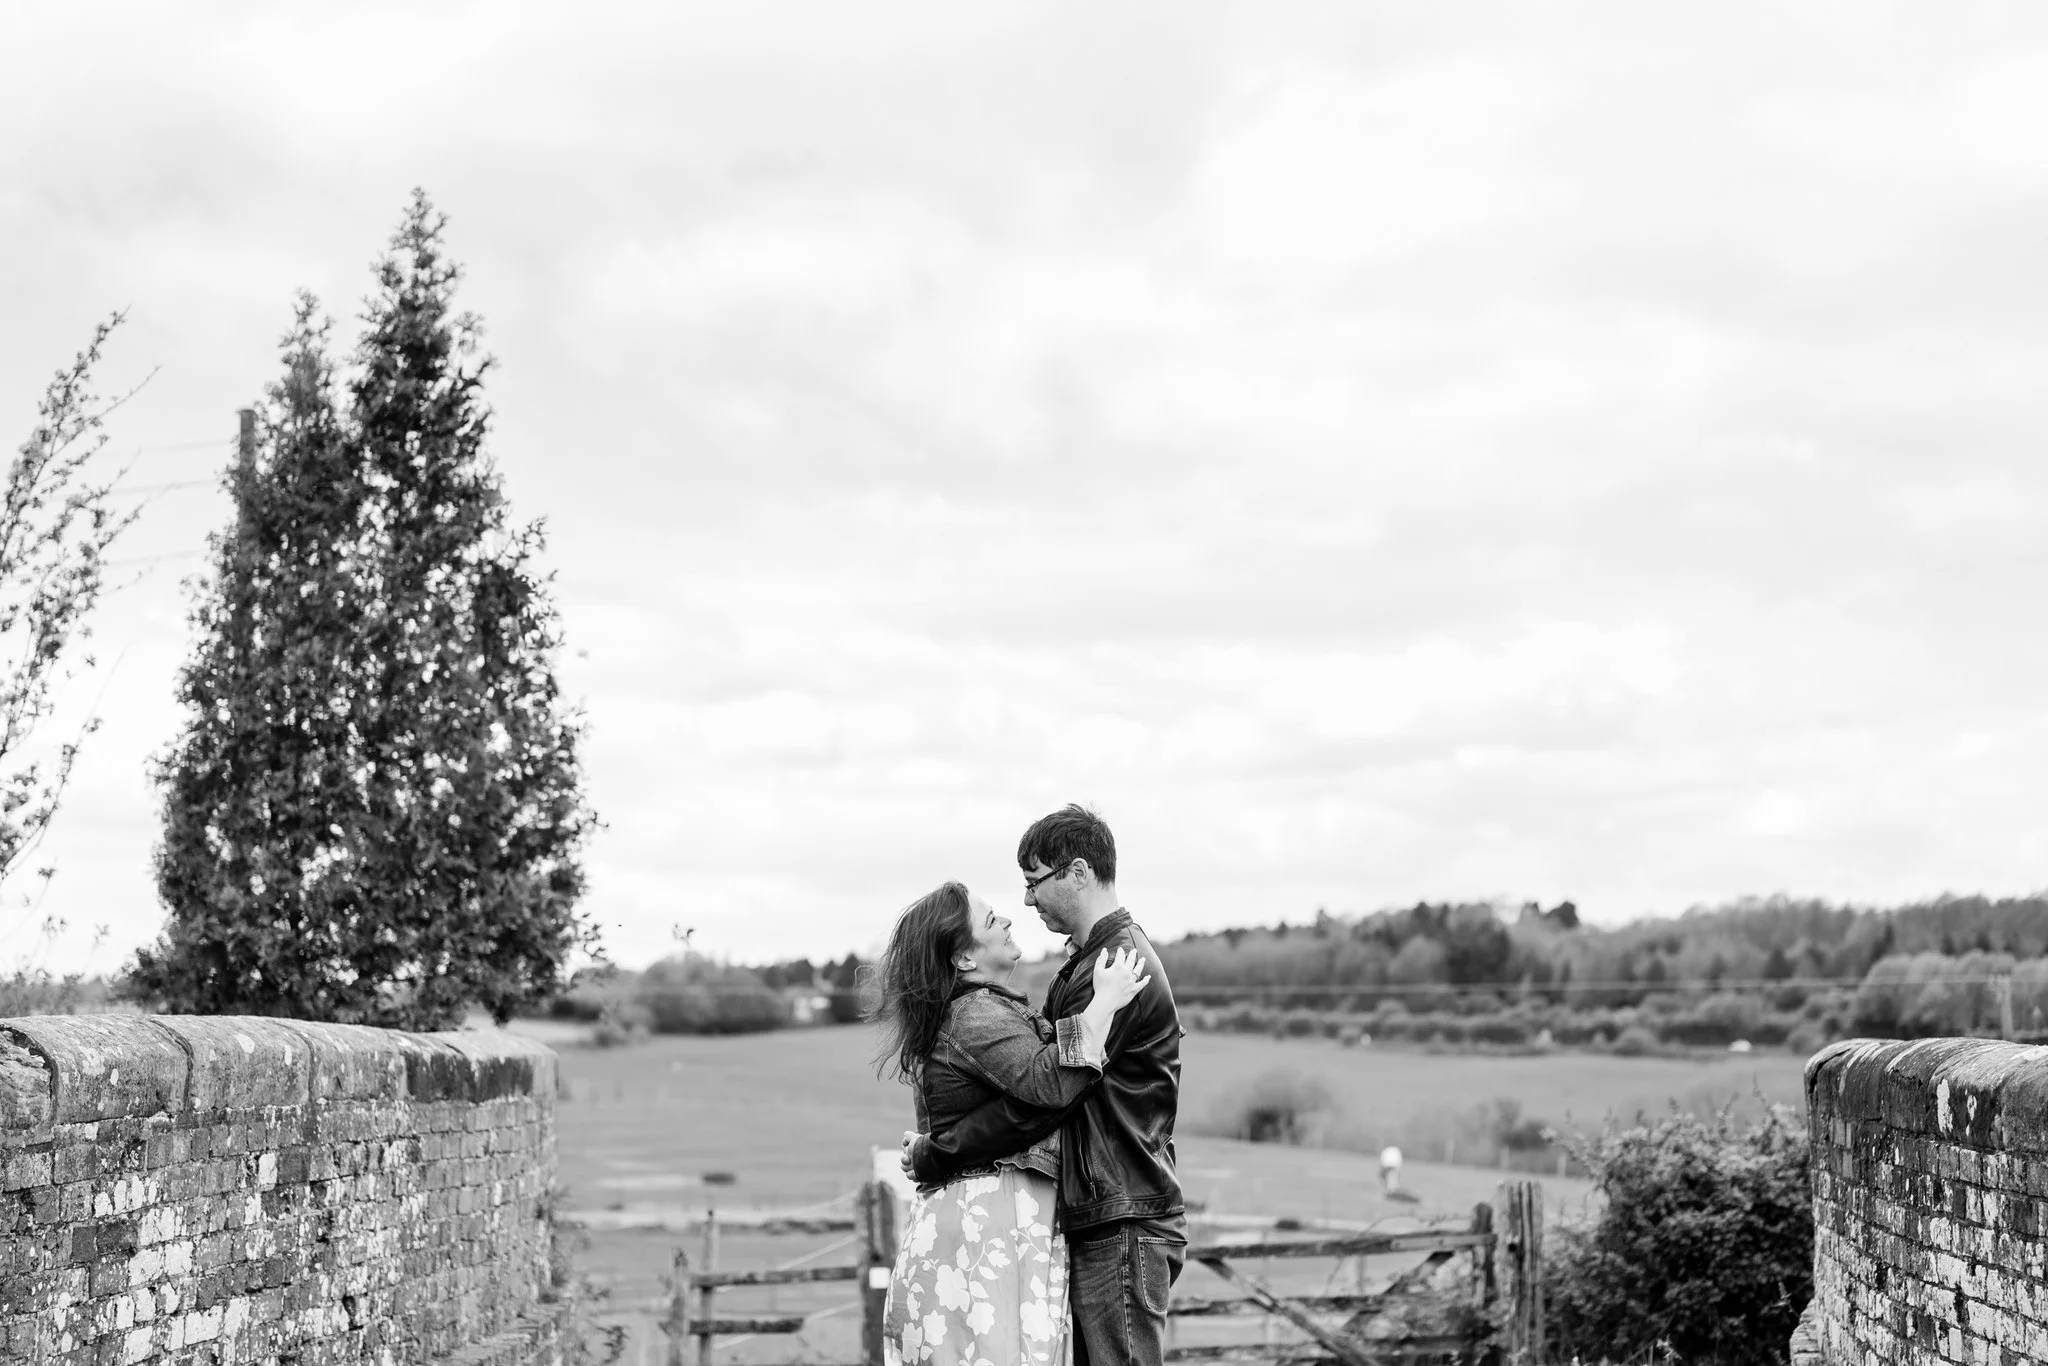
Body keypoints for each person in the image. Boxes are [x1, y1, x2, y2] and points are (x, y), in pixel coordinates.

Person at [904, 805, 1184, 1366]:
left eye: (1034, 882)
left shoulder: (1115, 968)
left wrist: (938, 1152)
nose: (1028, 901)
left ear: (1077, 873)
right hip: (1104, 1209)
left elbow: (1044, 1102)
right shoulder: (1088, 965)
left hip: (1119, 1214)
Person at [872, 879, 1152, 1366]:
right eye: (990, 919)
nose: (1005, 920)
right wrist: (1103, 1003)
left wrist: (935, 1150)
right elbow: (1050, 1084)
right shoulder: (974, 1014)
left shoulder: (988, 1009)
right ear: (963, 958)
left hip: (1000, 1216)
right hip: (986, 1219)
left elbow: (1024, 1103)